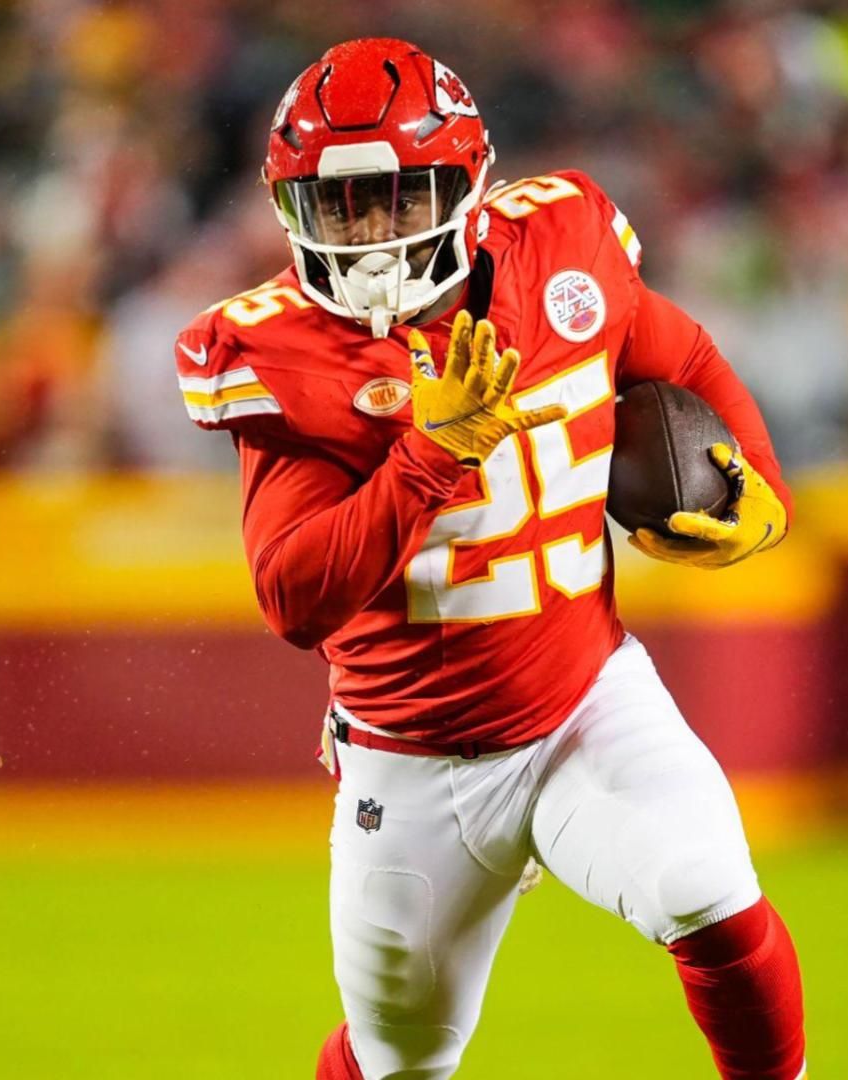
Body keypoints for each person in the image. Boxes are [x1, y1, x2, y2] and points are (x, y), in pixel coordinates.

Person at [173, 39, 805, 1079]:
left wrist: (764, 495)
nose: (369, 233)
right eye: (341, 208)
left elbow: (678, 355)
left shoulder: (562, 246)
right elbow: (294, 599)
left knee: (706, 885)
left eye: (395, 196)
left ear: (465, 184)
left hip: (584, 702)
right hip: (410, 759)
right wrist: (430, 456)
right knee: (397, 1059)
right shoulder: (280, 354)